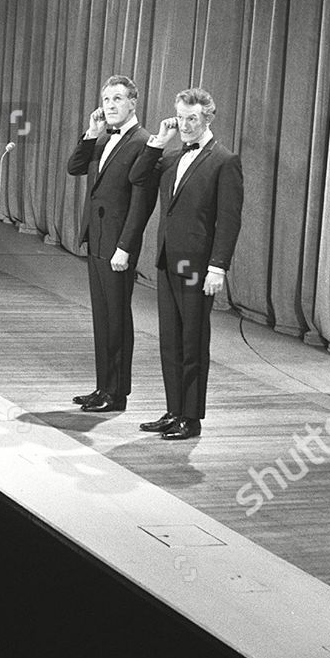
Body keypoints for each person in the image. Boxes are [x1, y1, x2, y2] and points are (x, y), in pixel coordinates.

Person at [129, 87, 243, 440]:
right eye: (180, 118)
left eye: (191, 118)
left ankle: (190, 418)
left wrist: (217, 267)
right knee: (170, 340)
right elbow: (136, 176)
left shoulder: (225, 160)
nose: (185, 125)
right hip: (169, 260)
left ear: (207, 118)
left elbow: (228, 220)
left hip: (197, 266)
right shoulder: (173, 156)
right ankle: (173, 409)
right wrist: (159, 141)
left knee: (192, 341)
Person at [65, 75, 157, 413]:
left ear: (133, 102)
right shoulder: (103, 139)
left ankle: (117, 394)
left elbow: (141, 204)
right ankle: (103, 386)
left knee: (117, 318)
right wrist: (91, 133)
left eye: (118, 99)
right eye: (106, 100)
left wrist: (126, 247)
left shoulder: (145, 142)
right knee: (103, 318)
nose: (111, 106)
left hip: (118, 246)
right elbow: (75, 166)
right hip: (97, 239)